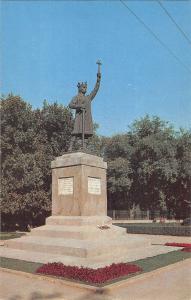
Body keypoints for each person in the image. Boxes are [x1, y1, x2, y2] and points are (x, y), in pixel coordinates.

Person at [68, 61, 101, 150]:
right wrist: (78, 106)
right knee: (75, 132)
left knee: (86, 134)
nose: (85, 89)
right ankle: (70, 148)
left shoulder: (88, 98)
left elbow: (95, 89)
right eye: (83, 87)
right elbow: (70, 105)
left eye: (86, 87)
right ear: (79, 88)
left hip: (86, 117)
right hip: (79, 117)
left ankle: (84, 147)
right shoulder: (76, 97)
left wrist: (98, 80)